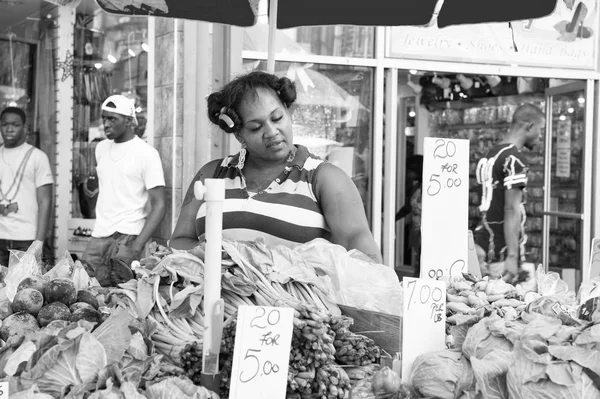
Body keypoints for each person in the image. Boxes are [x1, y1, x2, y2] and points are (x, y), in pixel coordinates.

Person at [170, 71, 382, 263]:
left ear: (288, 113)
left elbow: (358, 243)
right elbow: (179, 241)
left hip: (297, 304)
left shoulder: (324, 178)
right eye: (256, 127)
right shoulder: (212, 174)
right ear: (239, 134)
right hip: (214, 304)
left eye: (277, 118)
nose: (271, 131)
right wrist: (227, 258)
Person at [82, 95, 166, 277]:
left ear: (129, 121)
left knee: (117, 295)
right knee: (83, 285)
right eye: (104, 118)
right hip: (100, 233)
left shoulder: (147, 154)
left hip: (128, 235)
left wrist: (135, 247)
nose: (106, 124)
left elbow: (159, 206)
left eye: (113, 119)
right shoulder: (101, 148)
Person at [474, 103, 545, 283]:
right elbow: (511, 209)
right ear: (529, 126)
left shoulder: (492, 153)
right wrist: (513, 257)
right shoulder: (514, 159)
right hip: (502, 254)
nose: (540, 135)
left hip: (485, 244)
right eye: (540, 129)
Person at [0, 107, 54, 266]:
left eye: (15, 125)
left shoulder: (38, 157)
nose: (9, 129)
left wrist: (39, 241)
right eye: (4, 124)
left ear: (24, 127)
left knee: (25, 288)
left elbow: (46, 201)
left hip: (26, 239)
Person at [395, 155, 423, 277]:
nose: (407, 173)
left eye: (410, 170)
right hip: (416, 230)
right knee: (419, 260)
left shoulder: (429, 188)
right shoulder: (416, 187)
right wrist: (394, 218)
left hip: (426, 231)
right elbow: (408, 207)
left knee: (422, 262)